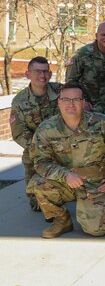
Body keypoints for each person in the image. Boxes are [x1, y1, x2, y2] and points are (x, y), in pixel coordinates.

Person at [27, 82, 105, 239]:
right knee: (38, 184)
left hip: (98, 184)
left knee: (95, 230)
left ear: (83, 103)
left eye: (76, 100)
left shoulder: (102, 123)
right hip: (67, 182)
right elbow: (40, 162)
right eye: (66, 99)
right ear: (59, 102)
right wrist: (65, 175)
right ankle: (62, 220)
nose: (71, 104)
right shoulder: (46, 129)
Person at [10, 56, 61, 212]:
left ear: (50, 74)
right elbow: (19, 132)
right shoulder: (19, 101)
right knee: (38, 205)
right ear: (28, 75)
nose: (42, 76)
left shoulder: (61, 91)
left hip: (63, 147)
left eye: (46, 71)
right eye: (37, 71)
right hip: (35, 151)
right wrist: (40, 148)